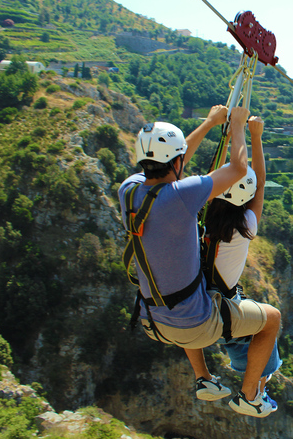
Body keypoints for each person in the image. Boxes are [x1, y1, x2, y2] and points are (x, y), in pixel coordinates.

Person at [118, 105, 280, 418]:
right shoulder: (181, 197)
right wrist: (235, 126)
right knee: (271, 318)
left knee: (187, 292)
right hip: (196, 325)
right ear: (177, 160)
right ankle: (249, 396)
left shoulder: (129, 190)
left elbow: (171, 166)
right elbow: (236, 168)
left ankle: (203, 378)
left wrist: (208, 124)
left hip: (152, 320)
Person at [197, 115, 282, 411]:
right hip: (223, 306)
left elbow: (210, 177)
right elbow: (259, 188)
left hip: (197, 301)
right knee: (269, 325)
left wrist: (229, 132)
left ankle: (203, 377)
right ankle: (251, 394)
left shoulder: (201, 213)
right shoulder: (245, 223)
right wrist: (255, 137)